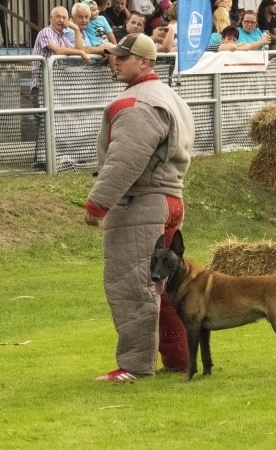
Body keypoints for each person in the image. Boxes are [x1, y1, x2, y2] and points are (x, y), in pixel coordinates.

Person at [86, 33, 193, 382]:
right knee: (167, 286)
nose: (115, 61)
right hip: (171, 198)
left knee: (131, 286)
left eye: (124, 56)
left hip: (141, 203)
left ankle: (134, 367)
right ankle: (180, 358)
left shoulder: (136, 102)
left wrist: (99, 202)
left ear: (145, 61)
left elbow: (126, 159)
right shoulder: (170, 96)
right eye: (115, 55)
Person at [30, 6, 89, 171]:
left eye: (64, 17)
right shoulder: (46, 32)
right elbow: (57, 50)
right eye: (58, 17)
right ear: (51, 18)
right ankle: (40, 162)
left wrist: (76, 29)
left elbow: (79, 49)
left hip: (55, 89)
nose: (61, 20)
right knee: (42, 124)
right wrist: (80, 53)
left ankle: (52, 159)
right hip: (40, 87)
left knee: (55, 124)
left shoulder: (63, 36)